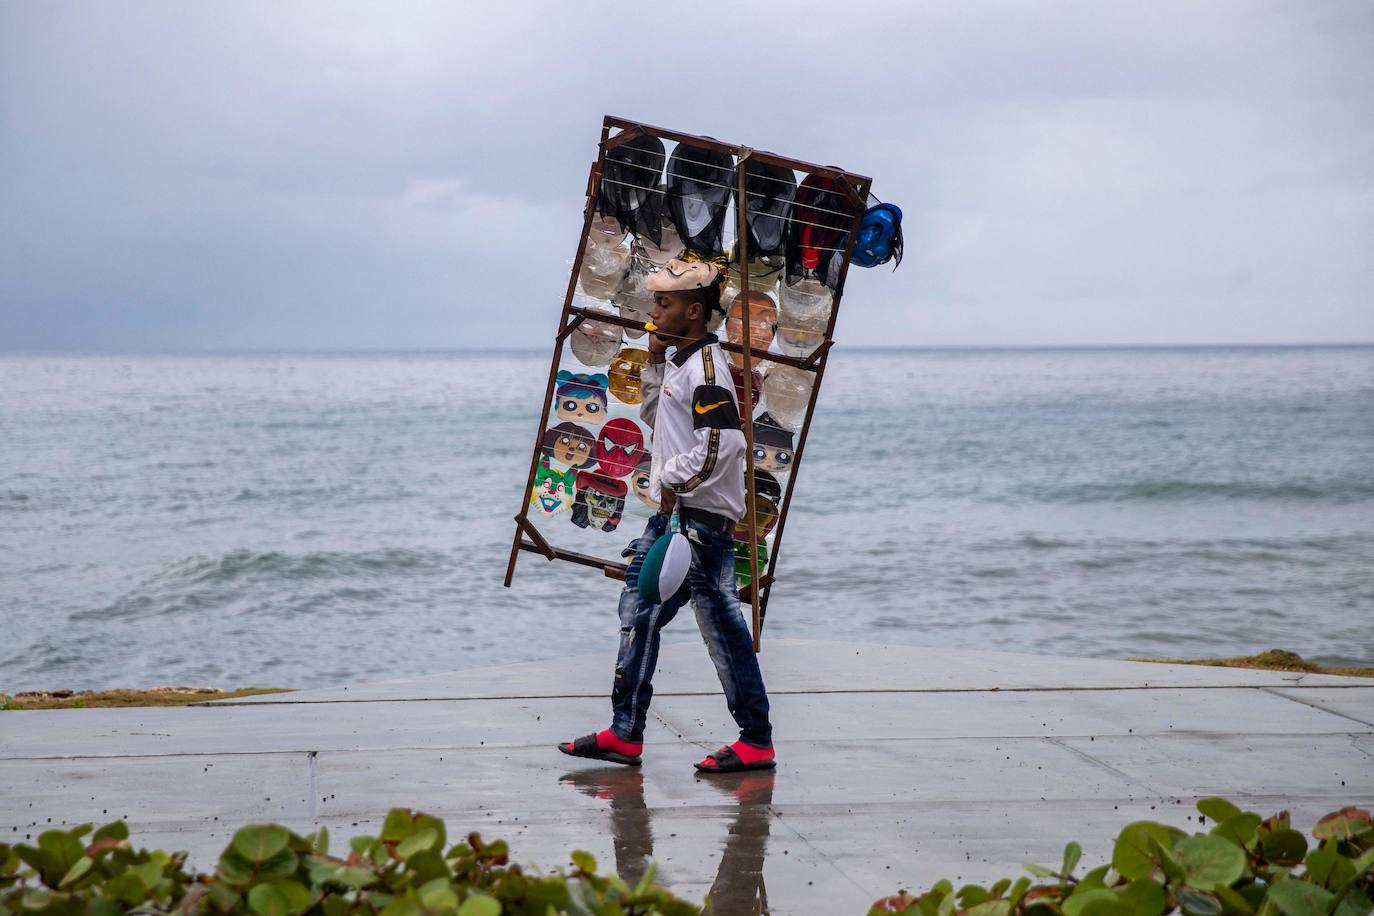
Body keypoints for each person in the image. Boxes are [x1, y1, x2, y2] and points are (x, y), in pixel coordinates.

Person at [559, 259, 776, 774]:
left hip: (697, 525)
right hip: (677, 521)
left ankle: (755, 739)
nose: (654, 312)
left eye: (664, 303)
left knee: (718, 631)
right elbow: (659, 421)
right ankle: (626, 732)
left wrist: (669, 484)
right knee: (640, 615)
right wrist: (655, 367)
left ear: (694, 311)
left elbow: (723, 446)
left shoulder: (707, 370)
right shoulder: (683, 365)